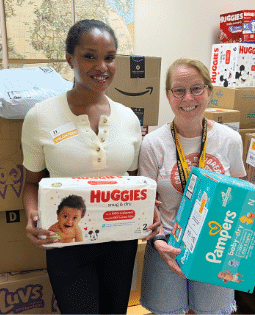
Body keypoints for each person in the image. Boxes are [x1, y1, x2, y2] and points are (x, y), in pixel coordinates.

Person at [21, 19, 158, 314]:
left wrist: (149, 210)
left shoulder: (129, 120)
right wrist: (34, 215)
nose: (102, 66)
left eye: (109, 57)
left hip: (120, 240)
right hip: (67, 241)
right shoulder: (40, 117)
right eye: (89, 56)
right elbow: (31, 182)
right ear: (70, 58)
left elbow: (133, 182)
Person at [138, 57, 245, 314]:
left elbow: (241, 193)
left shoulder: (230, 140)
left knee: (213, 311)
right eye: (179, 90)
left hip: (215, 244)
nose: (188, 98)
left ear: (209, 91)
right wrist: (158, 242)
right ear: (168, 95)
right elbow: (146, 204)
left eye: (196, 88)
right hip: (167, 243)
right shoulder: (153, 144)